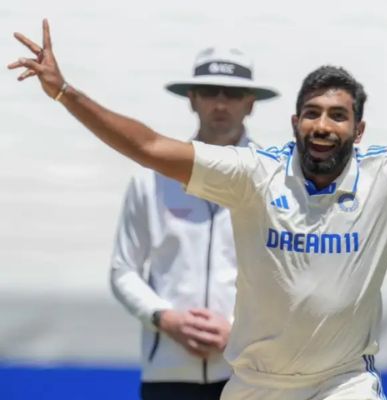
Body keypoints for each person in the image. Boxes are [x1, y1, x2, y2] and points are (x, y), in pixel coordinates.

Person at [9, 16, 387, 400]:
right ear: (294, 122)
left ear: (358, 128)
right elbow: (147, 146)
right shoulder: (251, 173)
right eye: (313, 114)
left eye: (338, 116)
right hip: (253, 384)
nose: (323, 126)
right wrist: (65, 92)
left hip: (342, 382)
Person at [109, 47, 278, 400]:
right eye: (209, 91)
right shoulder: (151, 178)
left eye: (232, 93)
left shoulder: (274, 179)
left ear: (250, 103)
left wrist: (238, 331)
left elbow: (290, 276)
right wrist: (165, 318)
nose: (221, 103)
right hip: (168, 372)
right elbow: (123, 270)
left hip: (250, 371)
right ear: (192, 99)